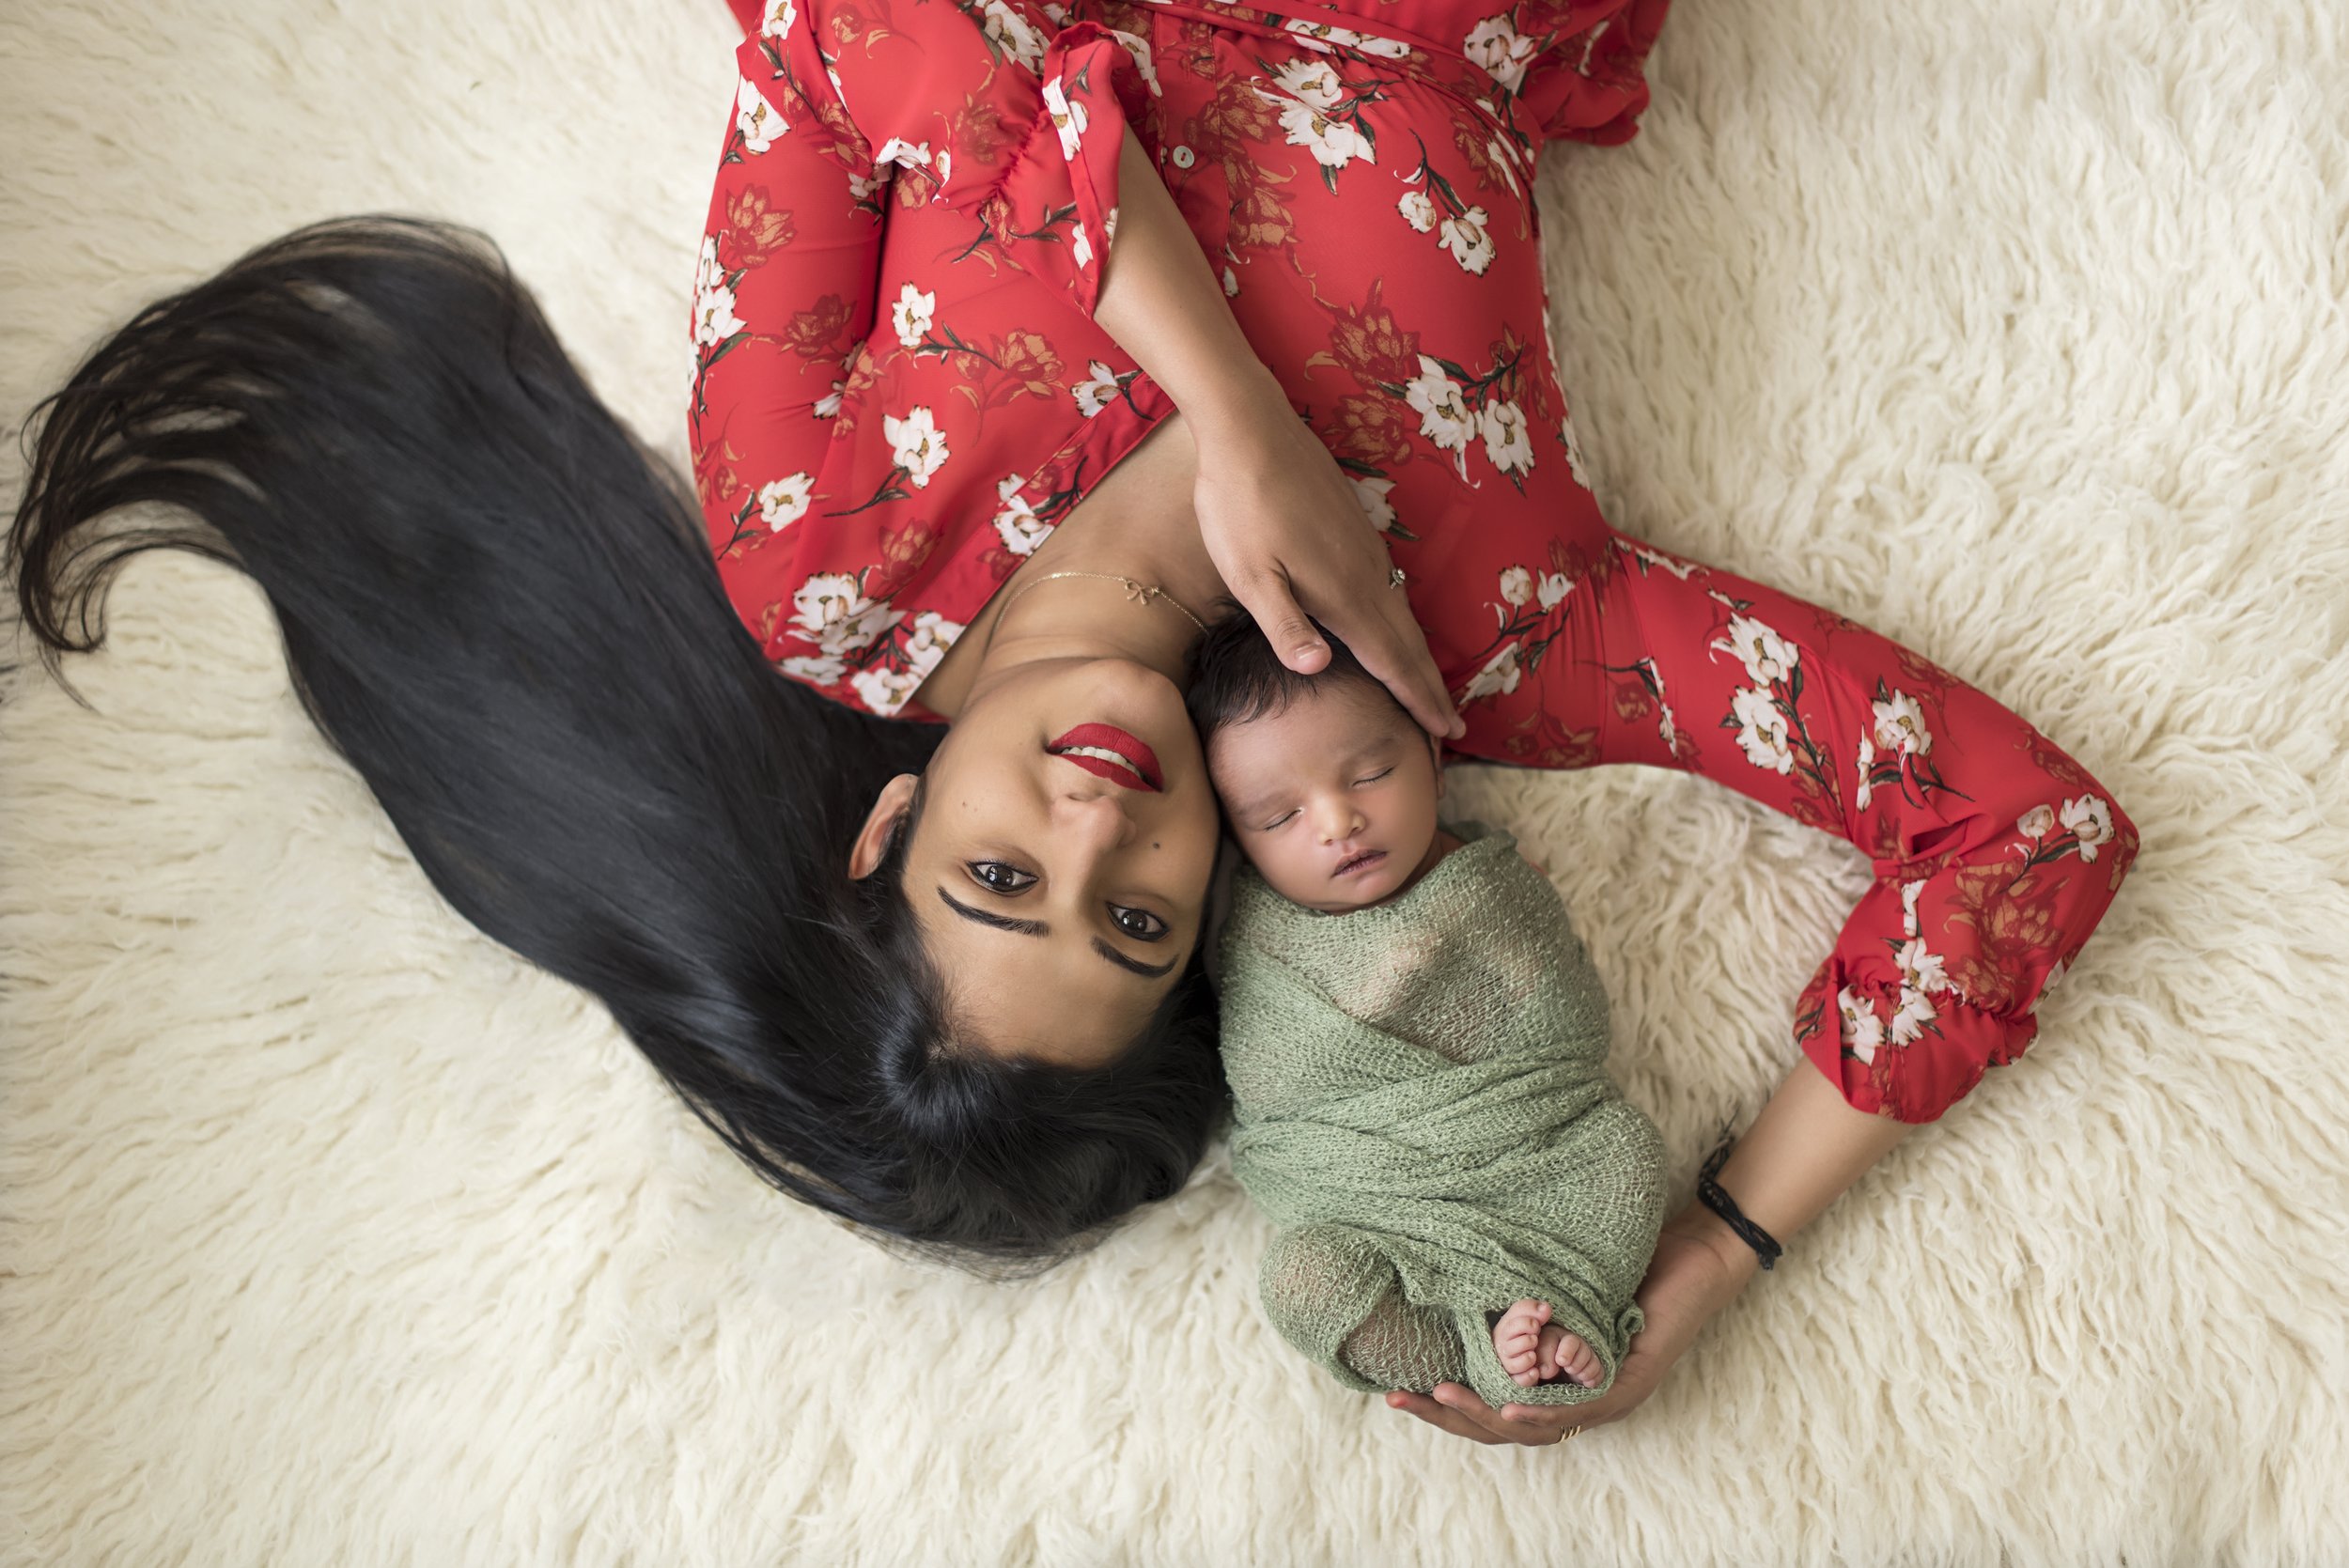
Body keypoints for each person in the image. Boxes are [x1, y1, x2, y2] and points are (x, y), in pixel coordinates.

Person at [4, 0, 2136, 1443]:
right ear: (1209, 920)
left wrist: (1229, 413)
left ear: (883, 829)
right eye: (1130, 921)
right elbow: (2020, 835)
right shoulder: (1480, 651)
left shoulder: (817, 553)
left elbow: (842, 30)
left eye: (1000, 875)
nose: (1101, 825)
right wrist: (1715, 1252)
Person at [1190, 611, 1667, 1409]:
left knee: (1629, 1151)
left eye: (1370, 773)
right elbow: (1280, 1079)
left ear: (1433, 760)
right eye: (1281, 817)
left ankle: (1559, 1317)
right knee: (1303, 1279)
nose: (1337, 823)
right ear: (1241, 842)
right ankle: (1475, 1348)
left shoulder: (1490, 884)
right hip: (1374, 1207)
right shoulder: (1260, 940)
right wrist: (1389, 977)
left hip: (1535, 1158)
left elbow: (1565, 1025)